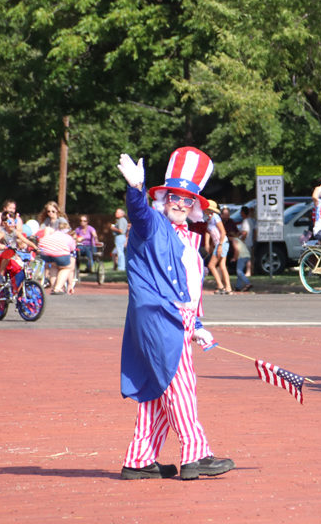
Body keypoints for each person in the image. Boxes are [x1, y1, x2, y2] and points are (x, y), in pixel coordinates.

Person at [116, 146, 234, 481]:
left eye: (186, 199)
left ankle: (140, 460)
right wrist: (136, 189)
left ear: (195, 205)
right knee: (179, 385)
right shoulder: (152, 223)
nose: (179, 203)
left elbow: (188, 288)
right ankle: (196, 455)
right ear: (163, 198)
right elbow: (138, 212)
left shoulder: (189, 241)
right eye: (173, 196)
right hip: (159, 319)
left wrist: (197, 324)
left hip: (176, 320)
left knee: (159, 390)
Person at [38, 218, 77, 294]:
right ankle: (57, 288)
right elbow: (72, 248)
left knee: (54, 266)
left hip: (45, 251)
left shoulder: (53, 234)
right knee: (66, 268)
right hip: (59, 253)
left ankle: (53, 287)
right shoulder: (67, 237)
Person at [205, 200, 232, 295]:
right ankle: (228, 287)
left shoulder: (215, 217)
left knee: (211, 265)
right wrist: (208, 244)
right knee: (222, 266)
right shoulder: (209, 219)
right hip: (219, 243)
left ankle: (220, 285)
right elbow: (209, 232)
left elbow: (223, 232)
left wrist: (220, 245)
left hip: (222, 243)